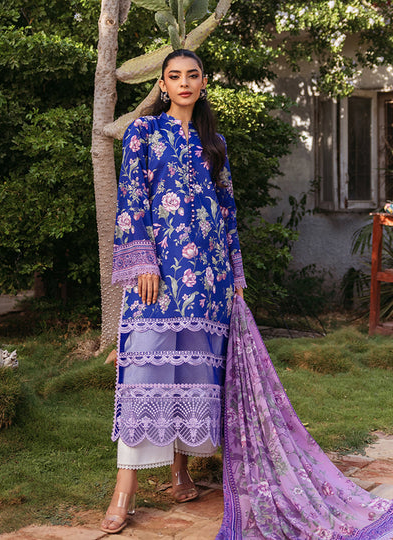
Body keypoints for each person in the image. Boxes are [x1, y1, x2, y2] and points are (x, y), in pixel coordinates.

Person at [100, 48, 246, 534]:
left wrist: (236, 278)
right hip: (158, 274)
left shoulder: (215, 142)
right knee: (144, 371)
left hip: (208, 278)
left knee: (194, 371)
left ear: (203, 83)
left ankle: (180, 470)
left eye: (193, 75)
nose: (184, 83)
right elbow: (131, 196)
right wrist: (142, 257)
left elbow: (227, 212)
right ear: (162, 85)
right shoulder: (143, 132)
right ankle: (124, 490)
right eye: (175, 76)